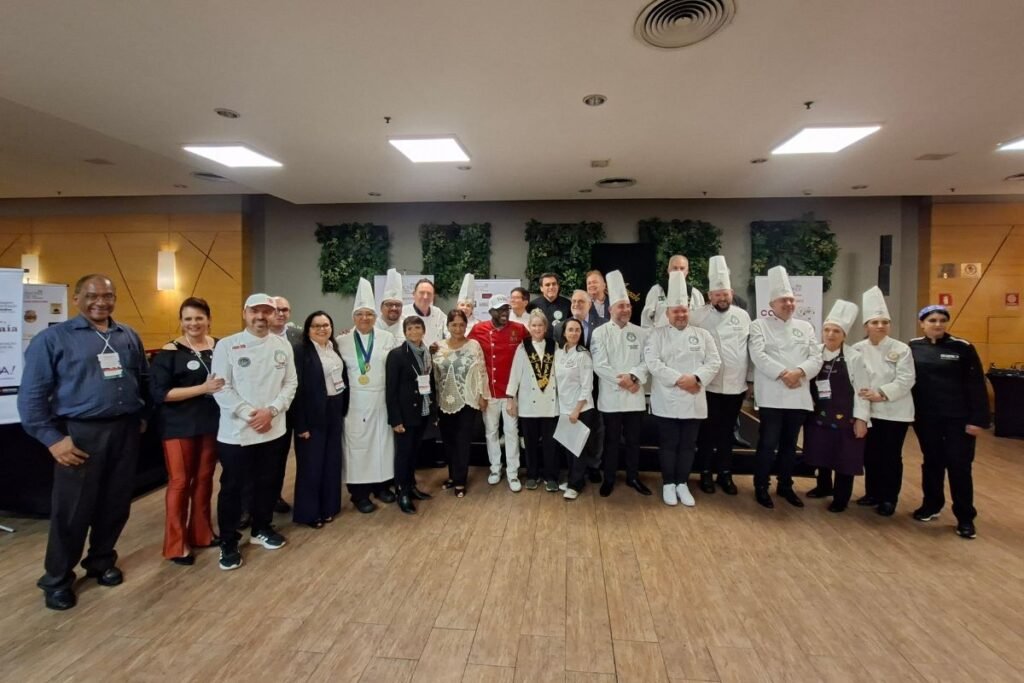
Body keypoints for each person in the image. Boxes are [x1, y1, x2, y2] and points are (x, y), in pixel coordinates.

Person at [18, 274, 149, 610]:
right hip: (79, 434)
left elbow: (142, 378)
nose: (100, 302)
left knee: (115, 504)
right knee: (72, 511)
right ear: (76, 298)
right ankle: (57, 579)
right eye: (92, 296)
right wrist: (52, 440)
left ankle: (101, 561)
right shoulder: (52, 339)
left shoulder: (127, 335)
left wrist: (142, 415)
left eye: (107, 295)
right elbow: (31, 397)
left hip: (124, 431)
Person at [211, 293, 298, 570]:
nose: (261, 317)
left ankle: (261, 528)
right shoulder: (227, 345)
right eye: (255, 311)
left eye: (266, 311)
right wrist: (251, 414)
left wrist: (271, 411)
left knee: (268, 482)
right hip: (237, 432)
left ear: (274, 315)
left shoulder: (282, 345)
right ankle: (228, 541)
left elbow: (290, 383)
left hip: (273, 428)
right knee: (233, 488)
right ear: (245, 314)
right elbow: (221, 387)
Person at [150, 297, 223, 565]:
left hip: (212, 424)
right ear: (181, 322)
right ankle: (176, 545)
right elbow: (161, 394)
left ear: (208, 320)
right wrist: (202, 389)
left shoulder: (220, 347)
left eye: (199, 318)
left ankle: (202, 533)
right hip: (178, 426)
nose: (194, 323)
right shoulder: (169, 352)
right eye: (188, 319)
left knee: (204, 480)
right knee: (180, 483)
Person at [909, 305, 990, 539]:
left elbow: (976, 385)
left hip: (959, 419)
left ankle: (965, 518)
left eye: (942, 320)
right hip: (926, 418)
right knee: (932, 462)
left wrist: (977, 420)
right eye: (932, 320)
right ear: (922, 323)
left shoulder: (962, 347)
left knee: (959, 466)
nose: (937, 324)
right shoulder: (912, 347)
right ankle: (931, 505)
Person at [644, 272, 721, 507]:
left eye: (684, 310)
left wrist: (696, 378)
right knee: (668, 443)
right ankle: (668, 482)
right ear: (667, 313)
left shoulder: (703, 335)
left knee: (688, 444)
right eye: (675, 311)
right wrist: (680, 379)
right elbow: (653, 363)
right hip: (666, 398)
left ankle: (682, 483)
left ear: (689, 311)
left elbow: (714, 362)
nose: (680, 315)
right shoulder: (657, 335)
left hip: (693, 398)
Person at [748, 266, 822, 509]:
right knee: (768, 444)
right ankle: (761, 486)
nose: (789, 304)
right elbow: (758, 356)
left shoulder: (806, 327)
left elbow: (816, 357)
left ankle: (785, 485)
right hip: (772, 395)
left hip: (798, 395)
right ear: (772, 303)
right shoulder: (759, 325)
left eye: (791, 300)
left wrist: (798, 372)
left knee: (790, 446)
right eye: (783, 300)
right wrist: (784, 374)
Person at [801, 300, 870, 513]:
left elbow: (862, 390)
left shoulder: (854, 358)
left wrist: (861, 419)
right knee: (820, 451)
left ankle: (841, 497)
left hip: (846, 417)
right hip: (818, 414)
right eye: (827, 330)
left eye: (836, 331)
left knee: (845, 458)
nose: (830, 334)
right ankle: (823, 486)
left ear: (844, 335)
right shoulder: (814, 353)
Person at [853, 286, 915, 517]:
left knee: (890, 456)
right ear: (866, 326)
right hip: (868, 411)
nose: (880, 326)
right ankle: (873, 493)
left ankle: (889, 498)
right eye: (875, 322)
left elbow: (907, 379)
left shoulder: (901, 349)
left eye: (884, 322)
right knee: (870, 455)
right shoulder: (857, 349)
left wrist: (881, 393)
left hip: (894, 411)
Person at [690, 255, 751, 495]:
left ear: (731, 293)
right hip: (709, 386)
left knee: (727, 433)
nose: (722, 298)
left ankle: (725, 474)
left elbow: (749, 349)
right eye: (717, 294)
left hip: (736, 386)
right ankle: (705, 472)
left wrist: (750, 380)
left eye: (725, 294)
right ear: (709, 296)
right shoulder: (698, 316)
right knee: (707, 432)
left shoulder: (742, 316)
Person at [339, 278, 400, 513]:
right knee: (358, 447)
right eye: (360, 314)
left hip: (381, 400)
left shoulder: (386, 338)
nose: (365, 318)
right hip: (355, 403)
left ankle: (381, 486)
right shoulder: (342, 341)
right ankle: (359, 494)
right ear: (353, 317)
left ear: (375, 316)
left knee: (382, 446)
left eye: (369, 314)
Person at [591, 270, 653, 497]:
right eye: (621, 306)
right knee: (611, 441)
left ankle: (633, 477)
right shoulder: (599, 333)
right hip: (611, 397)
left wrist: (634, 377)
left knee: (634, 441)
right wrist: (625, 381)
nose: (626, 309)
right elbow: (600, 365)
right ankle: (609, 478)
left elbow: (648, 361)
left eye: (628, 306)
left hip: (635, 397)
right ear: (610, 309)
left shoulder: (641, 333)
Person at [290, 311, 349, 529]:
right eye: (316, 326)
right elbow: (295, 389)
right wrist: (301, 424)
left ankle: (329, 507)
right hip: (311, 414)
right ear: (308, 330)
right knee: (311, 465)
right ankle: (309, 512)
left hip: (334, 410)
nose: (322, 329)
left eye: (326, 325)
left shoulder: (333, 348)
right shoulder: (300, 351)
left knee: (332, 461)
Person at [468, 294, 528, 491]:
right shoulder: (479, 329)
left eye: (506, 309)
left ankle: (513, 472)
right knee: (491, 432)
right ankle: (495, 468)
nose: (504, 313)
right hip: (489, 392)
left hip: (511, 393)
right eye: (500, 309)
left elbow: (535, 346)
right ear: (490, 311)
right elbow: (465, 348)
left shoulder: (519, 329)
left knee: (511, 432)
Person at [433, 310, 489, 497]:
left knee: (462, 441)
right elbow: (433, 373)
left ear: (466, 326)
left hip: (467, 400)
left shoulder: (474, 345)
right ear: (447, 326)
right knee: (448, 440)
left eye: (461, 325)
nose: (458, 328)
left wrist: (483, 395)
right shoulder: (438, 346)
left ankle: (460, 480)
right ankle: (452, 475)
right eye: (454, 325)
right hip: (443, 400)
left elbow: (482, 371)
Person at [386, 316, 437, 514]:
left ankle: (411, 486)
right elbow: (391, 390)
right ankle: (402, 491)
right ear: (405, 332)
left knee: (414, 452)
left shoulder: (427, 353)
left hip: (422, 410)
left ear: (423, 330)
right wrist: (395, 419)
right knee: (403, 454)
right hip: (405, 414)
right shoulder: (397, 355)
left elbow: (429, 382)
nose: (414, 332)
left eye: (417, 327)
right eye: (410, 329)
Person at [507, 310, 560, 491]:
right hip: (528, 403)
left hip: (550, 404)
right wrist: (510, 398)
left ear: (546, 327)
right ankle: (532, 475)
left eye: (540, 325)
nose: (537, 328)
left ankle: (551, 476)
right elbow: (515, 374)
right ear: (529, 327)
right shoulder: (523, 347)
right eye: (534, 325)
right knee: (530, 444)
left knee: (550, 444)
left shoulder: (554, 345)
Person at [554, 318, 598, 499]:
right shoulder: (559, 353)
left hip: (581, 409)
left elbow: (587, 387)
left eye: (577, 330)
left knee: (578, 448)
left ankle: (576, 484)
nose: (574, 333)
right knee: (568, 447)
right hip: (564, 408)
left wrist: (577, 410)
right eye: (570, 330)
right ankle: (573, 478)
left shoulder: (583, 355)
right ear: (564, 333)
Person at [268, 294, 300, 514]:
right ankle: (247, 505)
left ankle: (274, 496)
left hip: (292, 405)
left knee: (280, 455)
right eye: (276, 309)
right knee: (259, 458)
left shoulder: (297, 336)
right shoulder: (258, 336)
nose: (280, 313)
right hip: (265, 406)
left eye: (284, 310)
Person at [641, 255, 705, 329]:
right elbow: (646, 319)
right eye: (675, 268)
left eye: (682, 268)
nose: (678, 271)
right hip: (662, 334)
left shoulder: (695, 294)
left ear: (687, 271)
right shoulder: (657, 291)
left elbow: (701, 321)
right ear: (668, 270)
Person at [528, 272, 572, 341]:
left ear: (558, 286)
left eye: (554, 284)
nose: (551, 287)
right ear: (541, 288)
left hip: (561, 344)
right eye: (547, 285)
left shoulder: (567, 304)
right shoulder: (533, 305)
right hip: (540, 344)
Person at [402, 278, 446, 346]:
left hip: (435, 352)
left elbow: (450, 330)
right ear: (414, 294)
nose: (425, 297)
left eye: (429, 293)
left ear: (433, 296)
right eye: (422, 293)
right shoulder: (403, 313)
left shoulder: (438, 313)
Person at [377, 268, 406, 342]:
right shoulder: (371, 326)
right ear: (381, 307)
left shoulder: (408, 327)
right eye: (389, 304)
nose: (394, 308)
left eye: (398, 305)